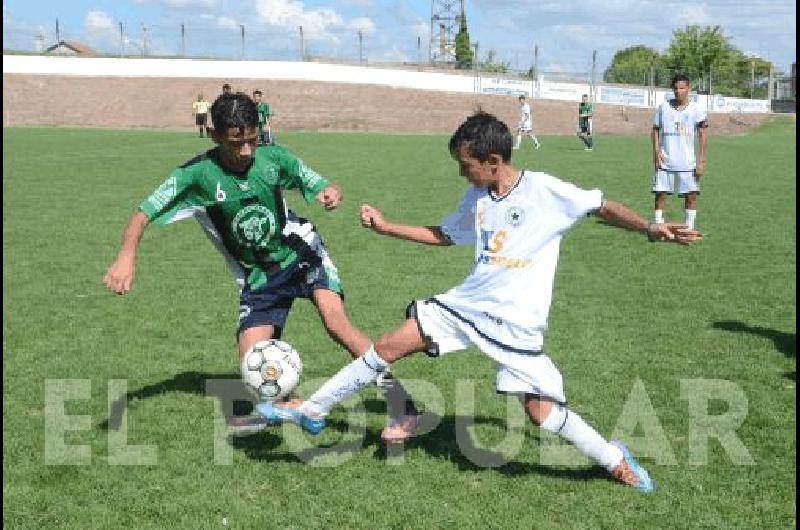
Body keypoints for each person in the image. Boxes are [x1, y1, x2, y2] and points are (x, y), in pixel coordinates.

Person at [259, 111, 703, 492]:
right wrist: (387, 227)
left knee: (541, 415)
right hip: (467, 306)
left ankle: (613, 459)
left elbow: (601, 206)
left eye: (466, 164)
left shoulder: (544, 190)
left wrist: (649, 227)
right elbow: (445, 235)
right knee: (390, 345)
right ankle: (313, 411)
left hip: (516, 324)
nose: (461, 172)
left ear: (493, 162)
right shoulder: (477, 197)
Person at [102, 92, 417, 441]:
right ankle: (293, 407)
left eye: (252, 140)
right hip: (260, 276)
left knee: (337, 323)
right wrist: (126, 255)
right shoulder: (195, 175)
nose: (246, 151)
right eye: (236, 143)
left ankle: (401, 405)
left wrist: (330, 193)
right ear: (215, 136)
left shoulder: (274, 157)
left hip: (301, 253)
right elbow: (143, 212)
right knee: (251, 359)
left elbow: (322, 184)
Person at [651, 74, 708, 230]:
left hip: (687, 161)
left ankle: (688, 228)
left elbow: (703, 135)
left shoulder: (697, 108)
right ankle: (658, 226)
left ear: (688, 89)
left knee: (691, 195)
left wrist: (701, 161)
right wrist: (656, 152)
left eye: (682, 88)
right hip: (665, 160)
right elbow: (655, 130)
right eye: (675, 88)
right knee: (660, 194)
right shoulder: (664, 107)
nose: (678, 91)